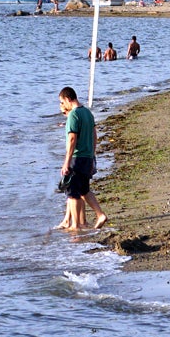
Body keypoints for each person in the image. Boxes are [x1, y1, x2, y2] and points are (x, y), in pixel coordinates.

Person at [55, 86, 108, 230]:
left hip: (77, 157)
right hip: (88, 157)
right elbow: (94, 135)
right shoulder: (87, 113)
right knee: (84, 189)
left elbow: (72, 139)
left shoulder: (74, 115)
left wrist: (66, 162)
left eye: (62, 102)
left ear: (67, 99)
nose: (61, 105)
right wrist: (92, 155)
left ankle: (76, 225)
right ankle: (99, 215)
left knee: (73, 193)